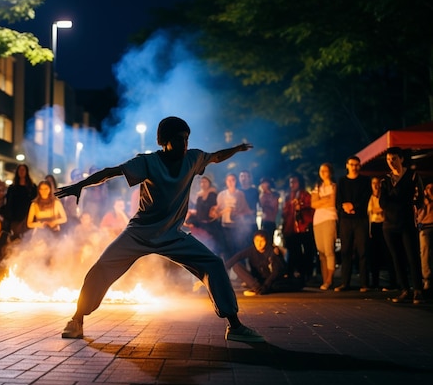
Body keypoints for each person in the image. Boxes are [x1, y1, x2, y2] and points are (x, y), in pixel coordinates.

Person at [56, 116, 264, 343]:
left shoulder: (193, 158)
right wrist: (81, 185)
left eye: (186, 138)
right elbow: (110, 172)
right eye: (178, 139)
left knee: (213, 264)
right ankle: (77, 319)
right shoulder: (147, 162)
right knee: (102, 267)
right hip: (139, 233)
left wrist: (237, 148)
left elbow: (216, 157)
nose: (184, 144)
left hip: (172, 235)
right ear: (164, 141)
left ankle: (234, 326)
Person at [380, 147, 424, 304]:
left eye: (394, 159)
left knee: (412, 257)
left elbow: (419, 199)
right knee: (397, 258)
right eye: (388, 159)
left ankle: (418, 290)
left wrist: (405, 202)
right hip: (389, 224)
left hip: (407, 223)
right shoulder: (385, 180)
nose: (391, 162)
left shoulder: (412, 176)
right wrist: (400, 199)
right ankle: (405, 289)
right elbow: (382, 202)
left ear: (401, 159)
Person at [225, 230, 303, 296]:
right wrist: (222, 268)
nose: (259, 244)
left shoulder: (273, 251)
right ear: (253, 241)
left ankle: (261, 289)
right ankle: (257, 289)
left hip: (272, 280)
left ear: (266, 241)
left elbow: (276, 272)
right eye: (257, 241)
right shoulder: (251, 250)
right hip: (257, 281)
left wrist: (266, 286)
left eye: (262, 241)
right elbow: (237, 257)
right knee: (236, 266)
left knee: (280, 285)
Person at [334, 156, 371, 292]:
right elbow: (338, 200)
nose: (354, 167)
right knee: (345, 251)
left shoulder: (365, 181)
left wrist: (353, 206)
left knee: (363, 251)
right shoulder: (342, 181)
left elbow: (366, 198)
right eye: (351, 164)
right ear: (347, 165)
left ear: (359, 166)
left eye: (356, 164)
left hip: (360, 219)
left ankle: (364, 283)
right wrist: (344, 206)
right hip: (345, 220)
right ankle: (345, 283)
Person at [281, 174, 315, 283]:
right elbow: (284, 213)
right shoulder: (288, 196)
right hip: (291, 229)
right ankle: (294, 273)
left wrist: (301, 206)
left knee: (307, 252)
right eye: (291, 182)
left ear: (299, 182)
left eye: (294, 182)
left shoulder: (305, 195)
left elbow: (311, 209)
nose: (292, 184)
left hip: (304, 227)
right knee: (294, 252)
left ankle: (307, 274)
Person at [213, 173, 253, 261]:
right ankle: (229, 268)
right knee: (228, 248)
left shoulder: (240, 194)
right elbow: (217, 211)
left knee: (238, 247)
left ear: (236, 181)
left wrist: (239, 213)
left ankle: (239, 268)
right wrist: (224, 210)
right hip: (225, 225)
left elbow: (245, 208)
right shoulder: (222, 195)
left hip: (238, 225)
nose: (231, 182)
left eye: (233, 180)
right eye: (229, 180)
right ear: (226, 182)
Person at [311, 163, 338, 290]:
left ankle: (329, 279)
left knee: (329, 250)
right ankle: (324, 278)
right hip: (317, 220)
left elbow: (333, 201)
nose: (322, 172)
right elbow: (313, 204)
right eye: (321, 170)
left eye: (325, 170)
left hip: (330, 218)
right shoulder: (317, 187)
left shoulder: (334, 186)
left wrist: (323, 200)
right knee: (321, 252)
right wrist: (325, 200)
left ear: (330, 172)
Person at [368, 176, 395, 290]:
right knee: (374, 255)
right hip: (373, 226)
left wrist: (377, 210)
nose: (376, 185)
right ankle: (375, 283)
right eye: (373, 183)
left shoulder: (385, 196)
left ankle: (393, 282)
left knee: (388, 254)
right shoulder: (370, 197)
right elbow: (370, 213)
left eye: (378, 183)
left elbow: (382, 209)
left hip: (384, 224)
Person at [3, 164, 38, 239]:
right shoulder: (12, 188)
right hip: (15, 218)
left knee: (27, 238)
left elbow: (35, 202)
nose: (21, 172)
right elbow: (9, 203)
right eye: (20, 170)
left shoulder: (32, 187)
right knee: (16, 238)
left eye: (23, 170)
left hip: (28, 217)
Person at [417, 183, 433, 292]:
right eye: (428, 188)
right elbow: (419, 216)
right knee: (425, 252)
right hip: (425, 227)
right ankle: (427, 278)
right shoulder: (422, 201)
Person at [258, 177, 279, 243]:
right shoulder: (262, 195)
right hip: (264, 221)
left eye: (264, 183)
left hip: (271, 221)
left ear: (268, 184)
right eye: (261, 184)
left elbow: (274, 207)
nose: (262, 185)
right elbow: (261, 205)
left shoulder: (274, 195)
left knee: (270, 240)